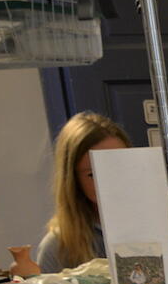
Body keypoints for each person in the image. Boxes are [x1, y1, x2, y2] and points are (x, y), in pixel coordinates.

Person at [36, 112, 131, 274]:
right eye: (93, 174)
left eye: (118, 168)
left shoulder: (165, 226)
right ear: (73, 180)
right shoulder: (58, 247)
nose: (111, 182)